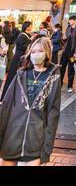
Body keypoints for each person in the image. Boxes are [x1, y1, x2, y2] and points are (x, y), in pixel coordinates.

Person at [0, 37, 61, 166]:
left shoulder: (53, 77)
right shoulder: (21, 74)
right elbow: (6, 105)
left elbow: (53, 113)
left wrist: (48, 146)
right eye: (33, 51)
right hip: (12, 134)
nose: (36, 54)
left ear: (47, 53)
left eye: (40, 51)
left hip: (35, 139)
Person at [1, 21, 33, 100]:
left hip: (21, 59)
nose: (32, 27)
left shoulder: (25, 35)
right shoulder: (22, 35)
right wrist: (30, 40)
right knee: (13, 77)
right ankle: (6, 97)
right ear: (27, 27)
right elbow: (22, 47)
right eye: (31, 25)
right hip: (18, 60)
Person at [60, 15, 76, 93]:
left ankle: (69, 86)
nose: (69, 21)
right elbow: (65, 39)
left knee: (71, 70)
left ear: (74, 21)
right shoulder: (68, 28)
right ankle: (60, 83)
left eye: (70, 20)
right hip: (65, 52)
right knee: (61, 68)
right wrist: (63, 38)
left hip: (72, 53)